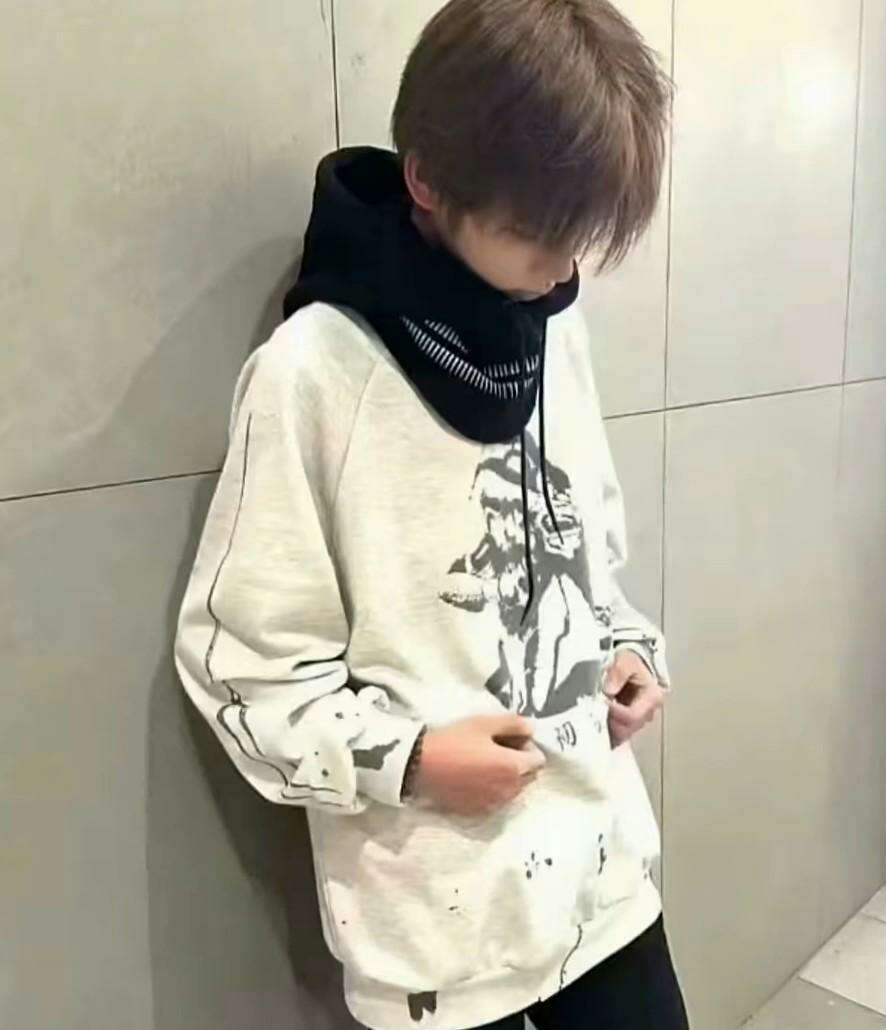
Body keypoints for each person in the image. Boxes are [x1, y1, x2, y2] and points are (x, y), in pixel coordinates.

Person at [173, 1, 689, 1027]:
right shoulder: (313, 372)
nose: (563, 269)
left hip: (603, 884)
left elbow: (588, 558)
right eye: (539, 232)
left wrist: (627, 649)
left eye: (582, 238)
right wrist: (409, 760)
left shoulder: (555, 330)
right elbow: (242, 670)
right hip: (436, 943)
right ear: (428, 181)